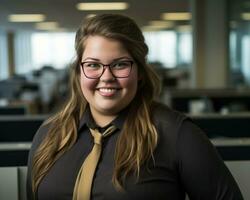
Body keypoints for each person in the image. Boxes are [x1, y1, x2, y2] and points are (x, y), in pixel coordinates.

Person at [26, 14, 243, 200]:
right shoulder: (49, 135)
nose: (106, 77)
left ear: (139, 72)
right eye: (93, 65)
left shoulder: (177, 135)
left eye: (120, 64)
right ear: (79, 72)